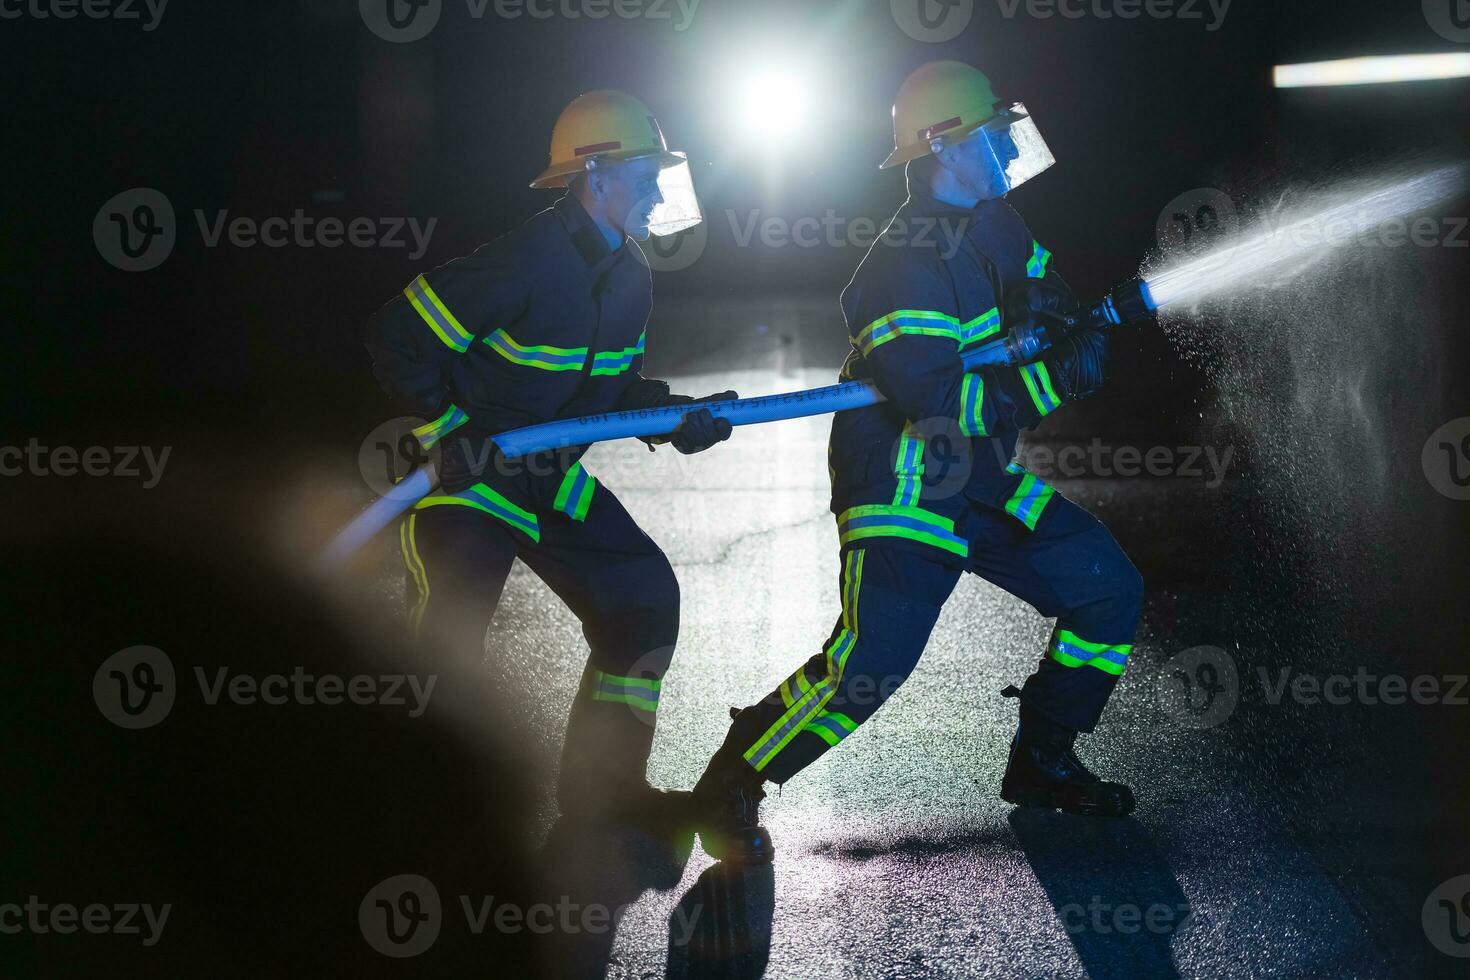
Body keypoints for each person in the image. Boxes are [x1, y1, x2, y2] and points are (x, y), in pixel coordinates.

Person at [690, 62, 1144, 863]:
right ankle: (736, 774)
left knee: (1105, 587)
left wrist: (1079, 324)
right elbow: (944, 405)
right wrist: (1051, 375)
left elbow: (1048, 299)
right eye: (990, 136)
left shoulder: (999, 222)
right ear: (943, 148)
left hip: (979, 474)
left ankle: (1041, 762)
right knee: (871, 665)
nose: (1006, 148)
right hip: (902, 477)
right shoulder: (898, 266)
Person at [366, 90, 734, 816]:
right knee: (446, 641)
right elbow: (397, 336)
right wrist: (450, 427)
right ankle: (399, 813)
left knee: (643, 598)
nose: (659, 186)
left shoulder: (629, 276)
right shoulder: (523, 261)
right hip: (466, 477)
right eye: (645, 171)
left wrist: (672, 419)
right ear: (596, 176)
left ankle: (608, 792)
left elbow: (611, 387)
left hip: (545, 478)